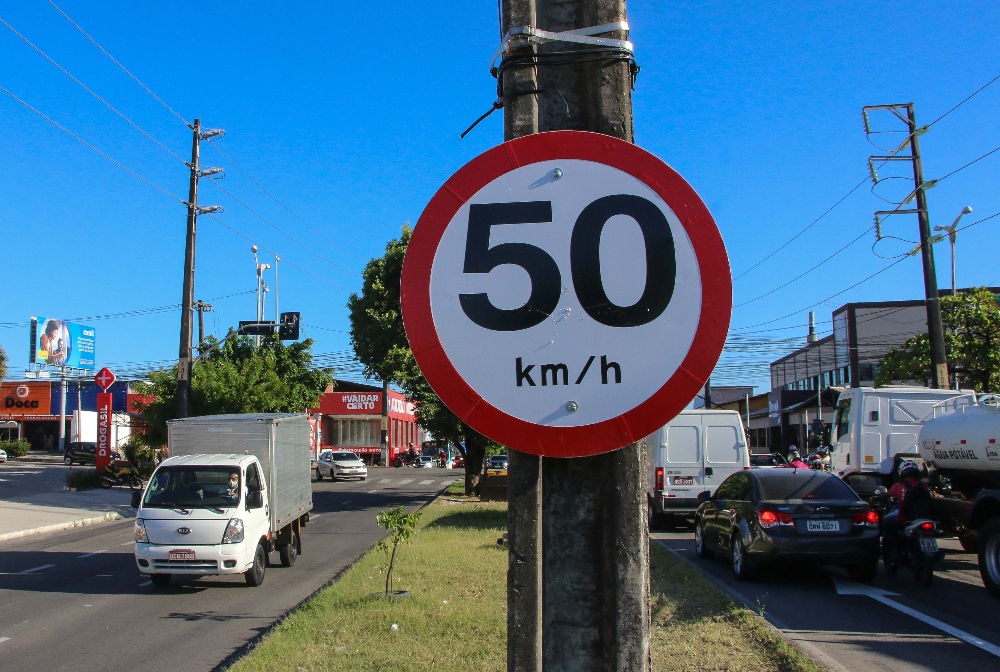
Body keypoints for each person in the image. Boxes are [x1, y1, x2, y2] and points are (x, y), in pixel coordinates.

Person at [883, 460, 930, 561]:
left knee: (888, 522)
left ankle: (894, 550)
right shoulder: (923, 486)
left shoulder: (898, 486)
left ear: (902, 473)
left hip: (905, 519)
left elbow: (886, 495)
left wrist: (877, 497)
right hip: (923, 518)